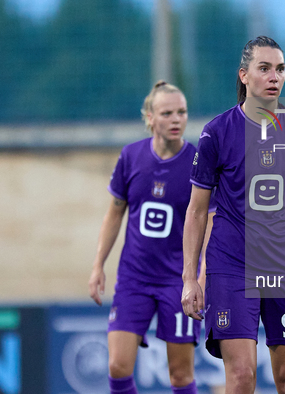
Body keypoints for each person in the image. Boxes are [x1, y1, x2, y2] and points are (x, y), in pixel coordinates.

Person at [181, 36, 285, 394]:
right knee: (241, 377)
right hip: (232, 265)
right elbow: (196, 210)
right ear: (244, 76)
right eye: (264, 68)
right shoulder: (217, 133)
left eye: (280, 69)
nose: (274, 77)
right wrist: (191, 278)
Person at [88, 81, 206, 394]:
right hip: (134, 279)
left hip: (177, 283)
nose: (176, 119)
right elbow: (114, 214)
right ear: (150, 118)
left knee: (180, 376)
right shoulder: (130, 157)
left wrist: (200, 278)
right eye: (167, 113)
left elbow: (209, 226)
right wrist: (98, 265)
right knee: (117, 366)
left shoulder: (199, 163)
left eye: (181, 112)